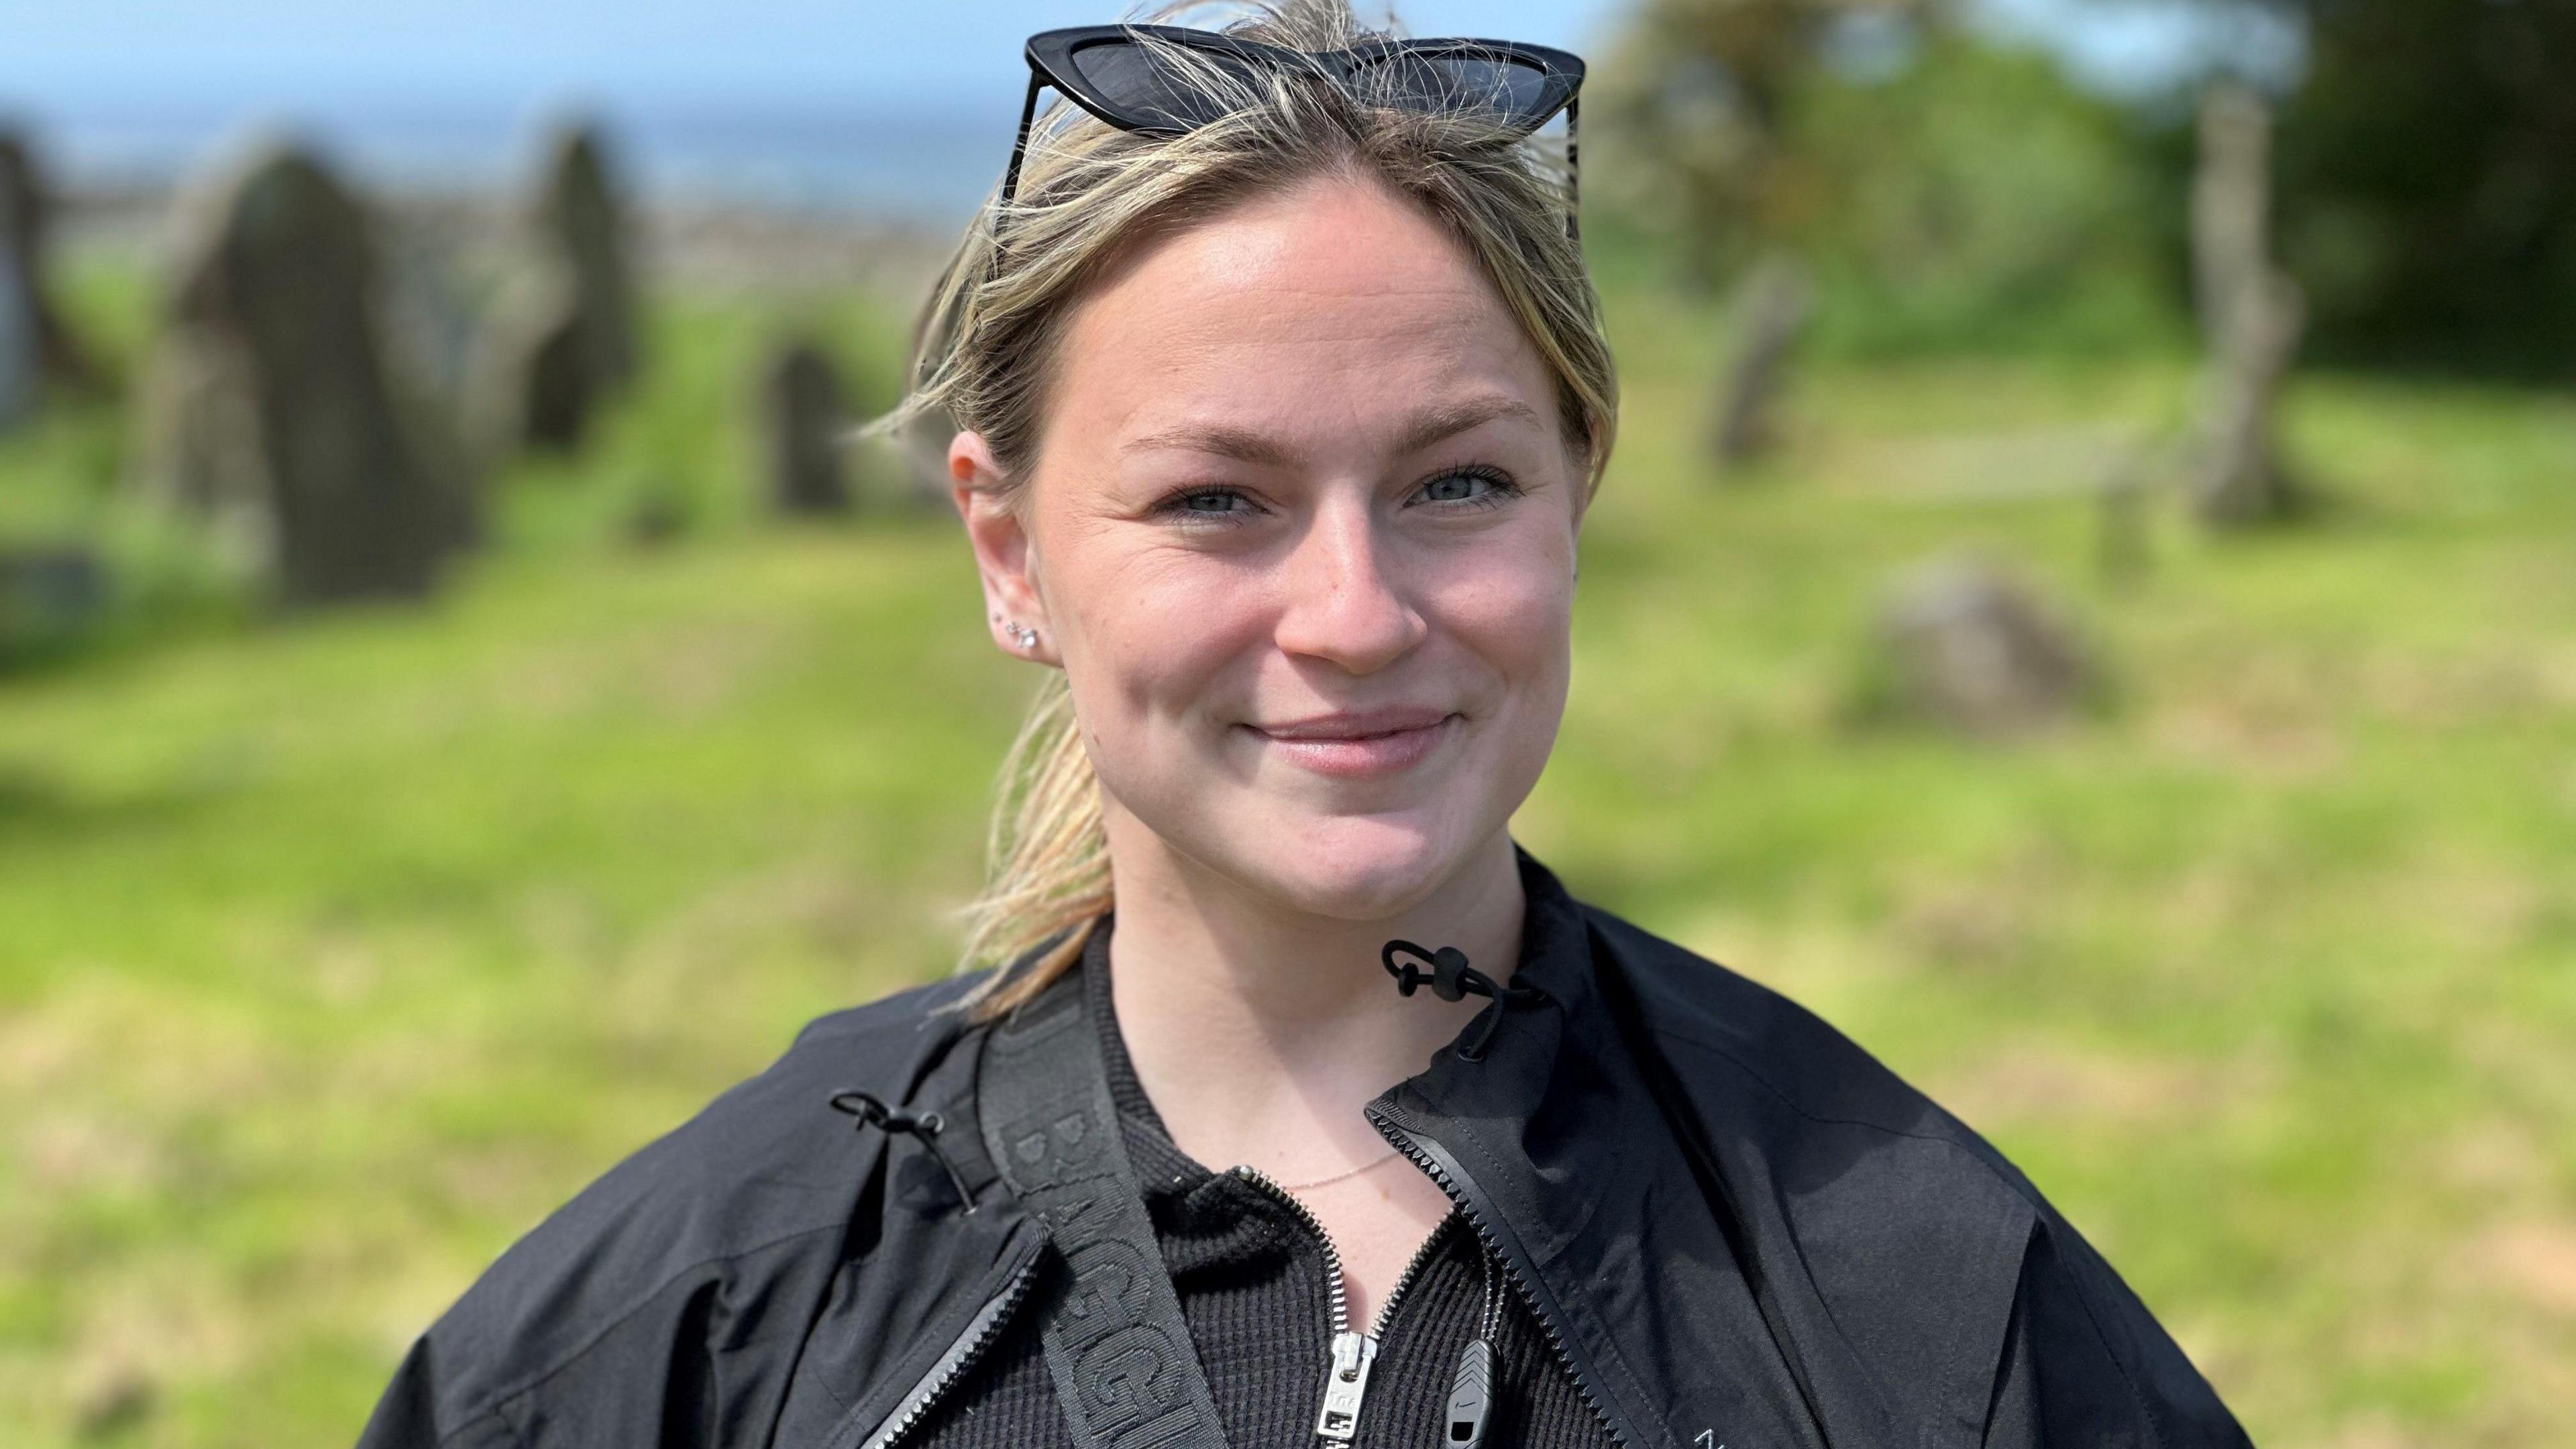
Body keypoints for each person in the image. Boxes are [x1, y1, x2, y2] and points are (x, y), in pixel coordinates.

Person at [355, 4, 2255, 1447]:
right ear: (1008, 553)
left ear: (1574, 496)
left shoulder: (1910, 1278)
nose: (1356, 618)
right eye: (1216, 500)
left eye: (1456, 485)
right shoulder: (708, 1309)